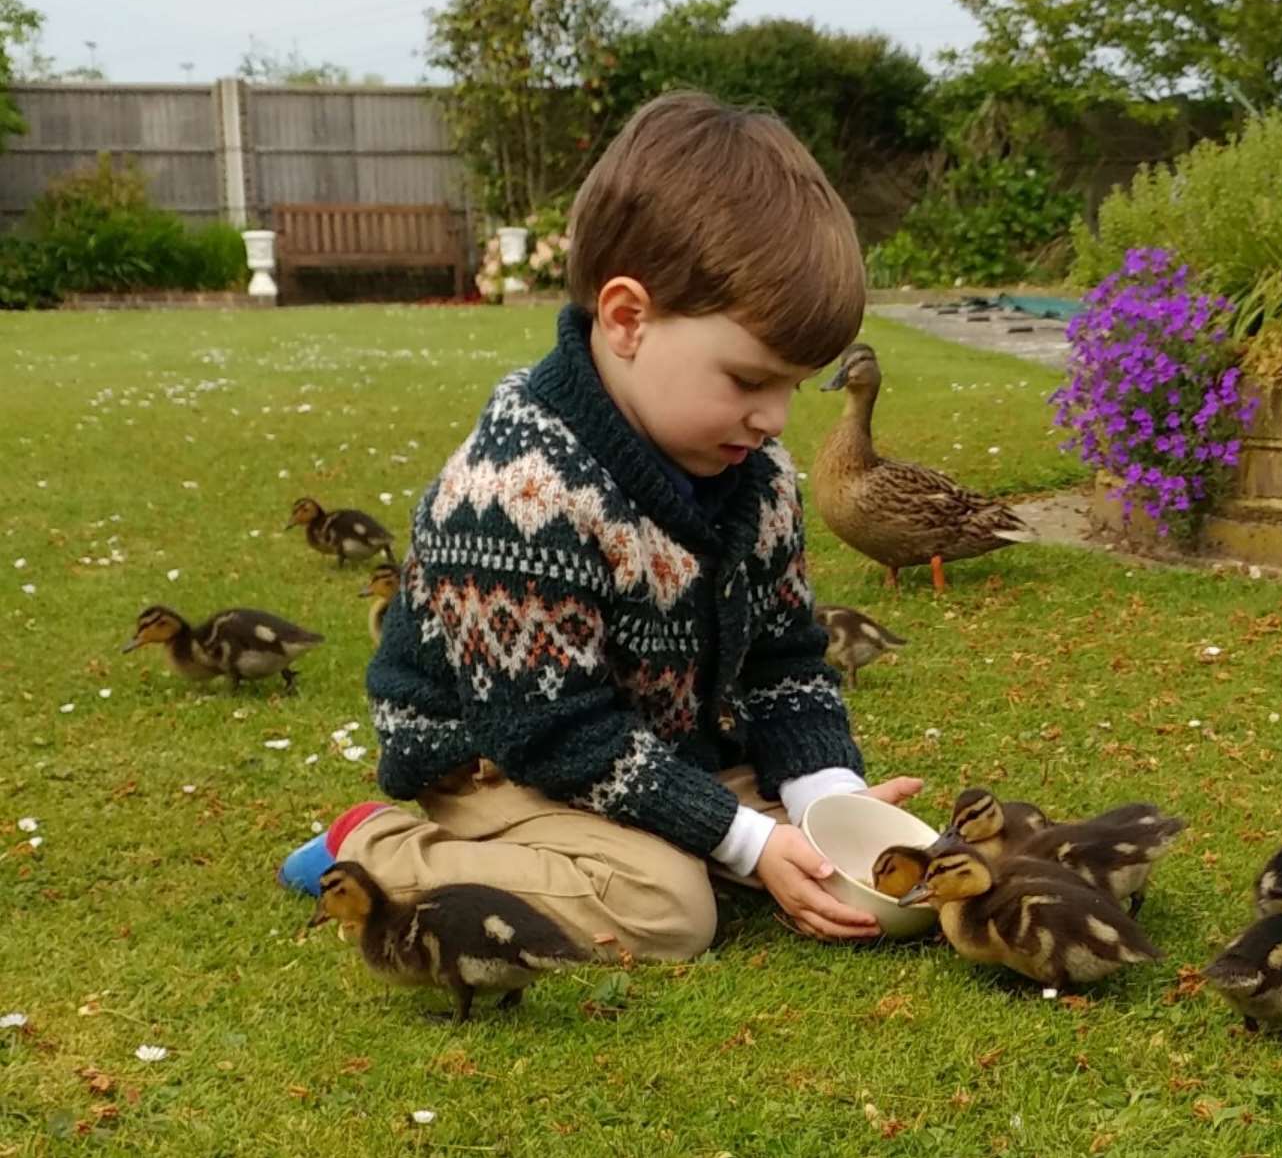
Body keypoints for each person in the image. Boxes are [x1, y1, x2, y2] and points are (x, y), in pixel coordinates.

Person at [278, 91, 920, 957]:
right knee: (668, 906)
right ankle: (374, 847)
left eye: (792, 387)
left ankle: (716, 829)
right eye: (745, 379)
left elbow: (784, 657)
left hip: (656, 743)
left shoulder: (754, 473)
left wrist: (823, 796)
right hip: (504, 764)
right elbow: (552, 733)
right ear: (627, 320)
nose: (772, 418)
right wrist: (741, 835)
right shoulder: (516, 490)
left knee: (833, 852)